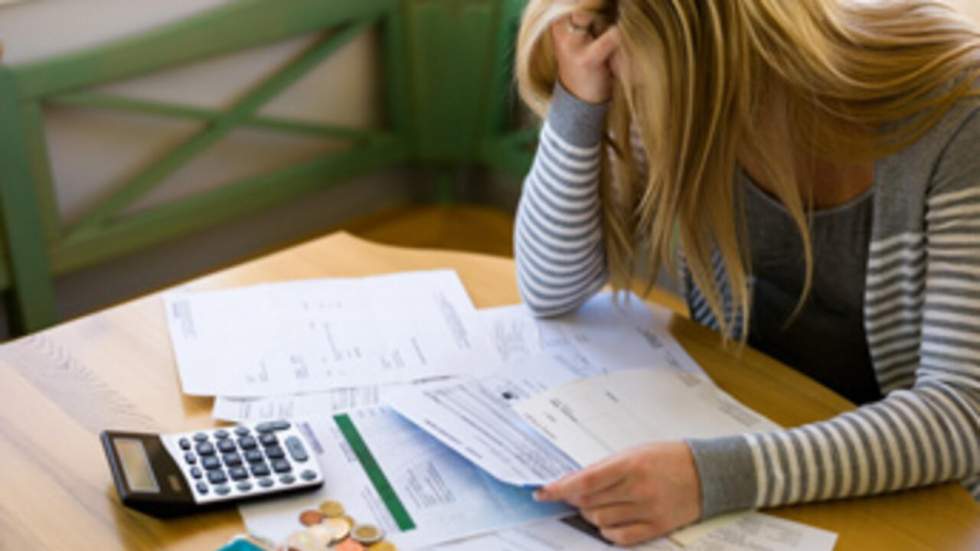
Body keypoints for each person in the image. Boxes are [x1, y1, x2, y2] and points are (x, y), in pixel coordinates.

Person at [513, 0, 980, 546]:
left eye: (635, 91)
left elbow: (964, 412)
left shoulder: (955, 108)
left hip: (924, 501)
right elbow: (549, 285)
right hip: (767, 449)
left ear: (718, 67)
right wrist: (579, 99)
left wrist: (710, 475)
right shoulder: (682, 89)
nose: (636, 111)